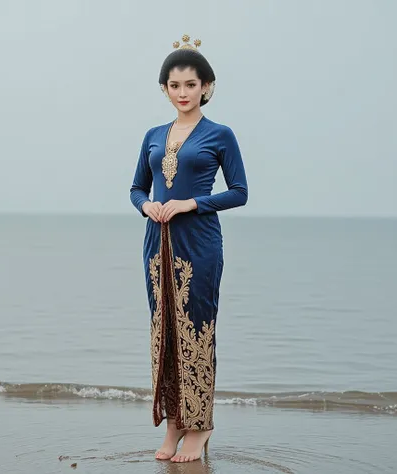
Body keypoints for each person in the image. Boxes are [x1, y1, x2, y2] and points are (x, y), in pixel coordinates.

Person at [130, 34, 248, 463]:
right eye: (174, 86)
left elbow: (240, 192)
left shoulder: (220, 134)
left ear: (206, 87)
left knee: (197, 330)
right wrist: (146, 205)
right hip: (156, 243)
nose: (183, 93)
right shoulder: (153, 135)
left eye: (191, 85)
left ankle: (201, 427)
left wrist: (191, 202)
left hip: (198, 243)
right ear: (164, 88)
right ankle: (175, 424)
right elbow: (136, 187)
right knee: (164, 331)